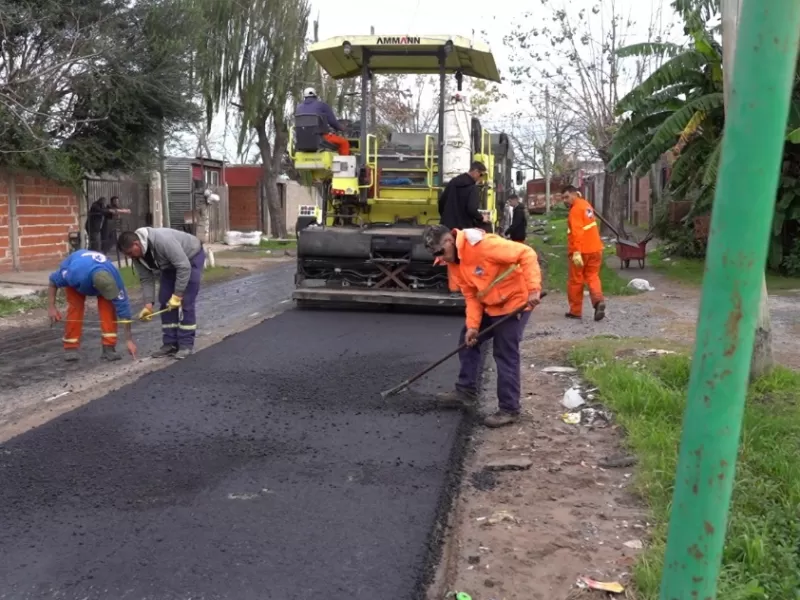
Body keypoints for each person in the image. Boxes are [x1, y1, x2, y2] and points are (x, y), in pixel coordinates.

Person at [422, 224, 542, 428]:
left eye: (441, 252)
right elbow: (471, 296)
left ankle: (509, 409)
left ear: (449, 241)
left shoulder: (483, 246)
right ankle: (466, 391)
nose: (441, 257)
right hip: (491, 304)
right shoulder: (454, 262)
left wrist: (533, 289)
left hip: (515, 301)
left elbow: (526, 253)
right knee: (467, 340)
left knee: (504, 353)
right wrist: (473, 326)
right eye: (436, 254)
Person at [118, 227, 205, 359]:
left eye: (130, 253)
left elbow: (183, 266)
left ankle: (186, 345)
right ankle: (170, 344)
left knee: (185, 302)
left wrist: (178, 294)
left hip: (190, 258)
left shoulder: (162, 241)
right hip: (169, 266)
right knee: (164, 300)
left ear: (136, 244)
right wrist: (148, 305)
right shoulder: (138, 256)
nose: (131, 257)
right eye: (127, 255)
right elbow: (146, 278)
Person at [47, 249, 137, 362]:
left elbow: (124, 310)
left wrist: (128, 340)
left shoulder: (114, 279)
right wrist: (51, 307)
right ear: (94, 286)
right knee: (75, 308)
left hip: (94, 273)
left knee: (109, 308)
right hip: (79, 274)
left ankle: (108, 348)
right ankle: (71, 347)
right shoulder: (73, 274)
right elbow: (53, 282)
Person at [563, 185, 606, 321]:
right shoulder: (586, 205)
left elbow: (577, 232)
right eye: (563, 198)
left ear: (575, 194)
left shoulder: (575, 210)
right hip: (596, 249)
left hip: (582, 251)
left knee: (576, 280)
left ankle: (575, 311)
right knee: (593, 276)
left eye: (567, 197)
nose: (565, 200)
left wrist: (576, 252)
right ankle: (598, 301)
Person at [295, 87, 350, 156]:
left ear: (305, 97)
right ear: (315, 96)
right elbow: (333, 122)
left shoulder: (298, 108)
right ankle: (343, 165)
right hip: (320, 138)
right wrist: (342, 128)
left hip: (302, 140)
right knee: (344, 143)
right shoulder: (322, 105)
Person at [438, 161, 491, 230]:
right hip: (463, 230)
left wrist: (446, 217)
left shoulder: (453, 182)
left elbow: (441, 202)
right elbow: (471, 209)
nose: (481, 179)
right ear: (475, 171)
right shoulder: (473, 188)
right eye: (481, 175)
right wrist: (481, 218)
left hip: (447, 227)